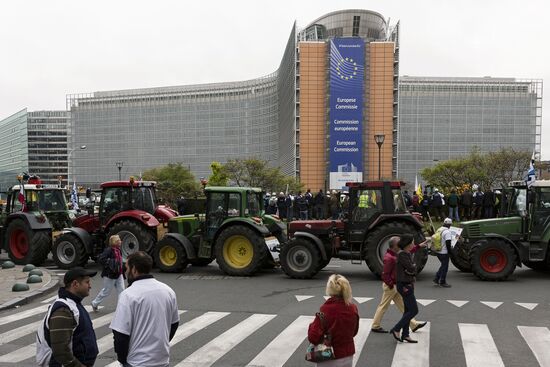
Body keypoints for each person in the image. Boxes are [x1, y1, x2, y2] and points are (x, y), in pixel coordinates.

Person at [110, 251, 180, 367]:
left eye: (127, 267)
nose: (126, 271)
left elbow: (120, 334)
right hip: (162, 361)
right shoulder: (168, 291)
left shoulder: (128, 295)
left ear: (134, 269)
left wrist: (122, 359)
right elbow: (174, 324)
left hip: (137, 362)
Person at [43, 267, 99, 367]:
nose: (90, 286)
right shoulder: (63, 311)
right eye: (87, 282)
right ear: (75, 284)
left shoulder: (74, 304)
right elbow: (61, 351)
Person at [371, 236, 427, 334]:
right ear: (394, 246)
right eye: (399, 243)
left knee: (403, 306)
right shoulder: (389, 258)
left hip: (395, 285)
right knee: (384, 306)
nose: (402, 245)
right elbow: (385, 274)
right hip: (391, 286)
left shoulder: (395, 254)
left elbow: (408, 250)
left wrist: (418, 246)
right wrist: (391, 285)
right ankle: (375, 325)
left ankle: (413, 324)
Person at [308, 274, 359, 367]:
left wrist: (311, 326)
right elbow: (354, 332)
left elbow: (313, 337)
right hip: (348, 355)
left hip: (329, 356)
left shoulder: (326, 309)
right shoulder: (353, 308)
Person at [390, 234, 420, 343]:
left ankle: (405, 335)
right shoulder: (402, 254)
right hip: (404, 285)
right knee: (414, 310)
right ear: (407, 244)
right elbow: (411, 268)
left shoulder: (406, 253)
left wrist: (412, 269)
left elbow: (411, 269)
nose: (413, 244)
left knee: (407, 310)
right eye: (412, 242)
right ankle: (396, 329)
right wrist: (413, 268)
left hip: (407, 284)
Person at [91, 235, 125, 311]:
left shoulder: (118, 250)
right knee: (106, 291)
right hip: (110, 274)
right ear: (115, 242)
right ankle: (95, 303)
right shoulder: (109, 250)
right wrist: (110, 263)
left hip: (119, 274)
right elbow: (101, 259)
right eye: (119, 240)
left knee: (122, 290)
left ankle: (121, 307)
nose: (120, 241)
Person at [433, 218, 454, 287]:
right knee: (445, 267)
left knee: (443, 265)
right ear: (449, 225)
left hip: (438, 251)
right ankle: (442, 282)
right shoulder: (447, 232)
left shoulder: (439, 229)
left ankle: (436, 278)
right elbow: (448, 243)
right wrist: (450, 252)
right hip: (444, 252)